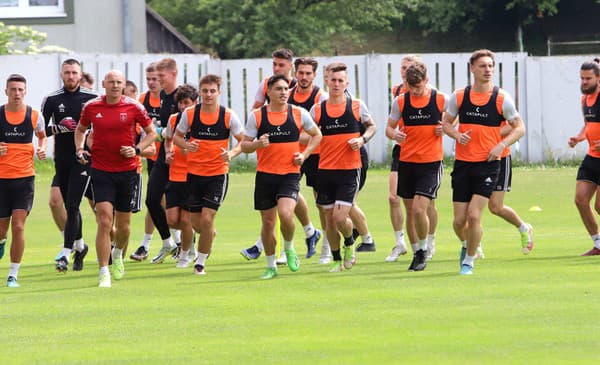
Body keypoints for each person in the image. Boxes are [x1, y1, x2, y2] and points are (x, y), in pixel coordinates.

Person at [441, 49, 525, 275]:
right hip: (463, 164)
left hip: (488, 164)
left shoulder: (501, 98)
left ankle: (469, 261)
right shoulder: (458, 96)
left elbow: (520, 128)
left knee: (474, 215)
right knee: (459, 222)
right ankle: (469, 244)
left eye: (490, 66)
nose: (487, 70)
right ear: (472, 69)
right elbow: (446, 123)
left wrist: (500, 145)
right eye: (482, 66)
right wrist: (456, 135)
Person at [75, 69, 156, 287]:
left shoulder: (134, 106)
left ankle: (118, 254)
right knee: (104, 220)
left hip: (127, 172)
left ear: (123, 85)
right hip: (100, 170)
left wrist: (137, 150)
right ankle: (104, 272)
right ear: (104, 83)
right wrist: (80, 149)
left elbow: (152, 133)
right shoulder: (92, 107)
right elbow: (80, 129)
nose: (114, 85)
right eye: (111, 82)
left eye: (118, 82)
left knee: (125, 227)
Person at [241, 50, 322, 262]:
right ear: (269, 91)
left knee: (287, 211)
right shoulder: (258, 113)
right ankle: (303, 237)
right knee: (269, 220)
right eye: (279, 89)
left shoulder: (303, 107)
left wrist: (303, 153)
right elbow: (246, 143)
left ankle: (288, 248)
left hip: (294, 166)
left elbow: (318, 133)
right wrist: (258, 143)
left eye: (286, 89)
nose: (284, 92)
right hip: (266, 173)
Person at [173, 75, 245, 274]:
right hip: (194, 174)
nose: (208, 94)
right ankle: (208, 235)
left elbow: (243, 141)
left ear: (219, 92)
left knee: (206, 219)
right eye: (205, 91)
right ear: (200, 92)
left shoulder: (228, 115)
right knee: (196, 223)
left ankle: (200, 263)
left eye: (212, 91)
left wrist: (231, 153)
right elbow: (176, 137)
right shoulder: (190, 114)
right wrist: (186, 144)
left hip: (217, 174)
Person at [310, 62, 376, 272]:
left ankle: (349, 242)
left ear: (346, 83)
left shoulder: (356, 105)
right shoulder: (318, 109)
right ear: (327, 81)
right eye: (333, 80)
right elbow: (307, 132)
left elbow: (372, 126)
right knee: (329, 220)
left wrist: (362, 140)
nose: (336, 84)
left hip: (349, 169)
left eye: (340, 80)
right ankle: (338, 259)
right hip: (325, 170)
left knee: (340, 217)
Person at [385, 61, 447, 271]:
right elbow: (389, 128)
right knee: (411, 210)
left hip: (430, 163)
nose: (414, 91)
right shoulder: (401, 102)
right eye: (411, 87)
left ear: (426, 81)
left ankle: (426, 246)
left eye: (418, 87)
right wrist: (395, 134)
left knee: (422, 208)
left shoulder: (440, 99)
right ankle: (417, 251)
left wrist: (445, 128)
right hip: (407, 162)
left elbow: (453, 120)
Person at [41, 58, 97, 272]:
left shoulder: (93, 98)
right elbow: (40, 130)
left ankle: (65, 254)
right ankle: (81, 247)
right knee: (67, 205)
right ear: (61, 75)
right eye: (67, 72)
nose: (71, 76)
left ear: (80, 74)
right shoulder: (52, 99)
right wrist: (59, 127)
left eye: (74, 72)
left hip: (84, 160)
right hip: (61, 161)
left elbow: (102, 127)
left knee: (73, 205)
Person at [0, 74, 47, 287]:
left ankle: (13, 274)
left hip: (24, 180)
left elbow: (42, 136)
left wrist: (42, 148)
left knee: (18, 226)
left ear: (25, 91)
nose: (16, 93)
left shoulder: (35, 115)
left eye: (20, 89)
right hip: (1, 180)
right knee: (2, 230)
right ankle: (1, 241)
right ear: (6, 92)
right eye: (13, 89)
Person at [147, 58, 181, 263]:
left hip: (180, 157)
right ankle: (168, 242)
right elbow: (166, 130)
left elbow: (180, 129)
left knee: (183, 207)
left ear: (173, 74)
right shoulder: (163, 97)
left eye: (161, 77)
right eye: (155, 77)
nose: (158, 81)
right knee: (151, 199)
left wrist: (155, 132)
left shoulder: (181, 97)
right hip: (163, 156)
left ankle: (190, 245)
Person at [484, 121, 534, 256]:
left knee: (495, 207)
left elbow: (514, 125)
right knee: (470, 204)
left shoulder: (501, 101)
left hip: (500, 157)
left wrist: (489, 134)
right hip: (473, 157)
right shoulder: (464, 100)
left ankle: (523, 228)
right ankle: (473, 247)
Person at [163, 84, 198, 269]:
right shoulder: (173, 119)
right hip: (174, 175)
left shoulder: (200, 121)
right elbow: (168, 139)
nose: (183, 107)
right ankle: (201, 232)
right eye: (181, 103)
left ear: (195, 103)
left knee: (185, 220)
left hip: (192, 176)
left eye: (187, 103)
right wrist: (168, 153)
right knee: (171, 220)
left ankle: (185, 255)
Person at [131, 63, 162, 261]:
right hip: (152, 158)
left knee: (170, 204)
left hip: (173, 159)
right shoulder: (142, 100)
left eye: (155, 79)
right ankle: (146, 244)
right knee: (154, 200)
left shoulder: (170, 100)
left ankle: (182, 238)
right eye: (148, 78)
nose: (151, 83)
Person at [569, 59, 600, 256]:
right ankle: (598, 244)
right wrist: (579, 137)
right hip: (592, 157)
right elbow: (588, 125)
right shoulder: (584, 100)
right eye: (582, 78)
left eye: (588, 79)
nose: (584, 82)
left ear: (598, 78)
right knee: (581, 200)